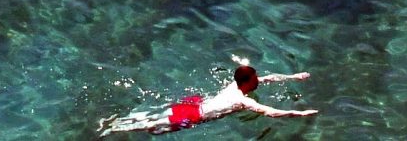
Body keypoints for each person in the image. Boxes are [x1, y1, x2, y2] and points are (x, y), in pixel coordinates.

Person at [100, 58, 316, 134]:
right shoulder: (242, 100)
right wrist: (300, 113)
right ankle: (113, 128)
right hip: (194, 116)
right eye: (255, 79)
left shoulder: (234, 85)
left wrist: (294, 76)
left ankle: (116, 121)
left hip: (193, 105)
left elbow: (269, 78)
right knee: (152, 125)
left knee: (153, 116)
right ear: (247, 83)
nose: (259, 80)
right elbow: (270, 112)